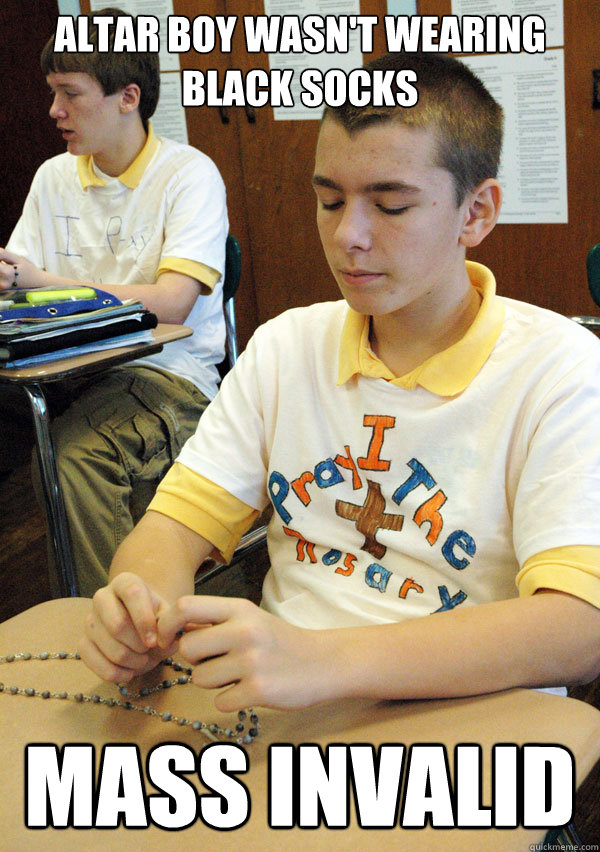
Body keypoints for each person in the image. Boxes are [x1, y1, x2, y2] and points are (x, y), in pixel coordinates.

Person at [79, 52, 600, 712]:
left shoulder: (560, 371)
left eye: (389, 205)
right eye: (329, 200)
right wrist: (139, 607)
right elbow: (172, 529)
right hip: (286, 708)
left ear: (476, 212)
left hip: (470, 721)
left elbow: (580, 626)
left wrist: (327, 661)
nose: (347, 234)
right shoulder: (285, 349)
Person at [0, 8, 228, 596]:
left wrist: (41, 281)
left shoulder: (187, 175)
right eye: (53, 93)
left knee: (72, 458)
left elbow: (171, 305)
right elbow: (18, 279)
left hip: (167, 377)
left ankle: (125, 640)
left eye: (70, 94)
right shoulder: (55, 177)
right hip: (70, 374)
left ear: (128, 97)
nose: (54, 112)